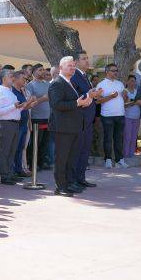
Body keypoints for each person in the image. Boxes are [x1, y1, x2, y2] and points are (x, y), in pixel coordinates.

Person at [48, 56, 93, 196]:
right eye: (69, 66)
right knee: (62, 158)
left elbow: (74, 102)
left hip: (73, 127)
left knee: (71, 158)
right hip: (62, 128)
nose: (72, 68)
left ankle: (68, 183)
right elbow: (56, 104)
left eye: (74, 66)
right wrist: (77, 104)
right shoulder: (57, 83)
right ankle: (60, 187)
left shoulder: (70, 83)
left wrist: (84, 102)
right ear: (61, 67)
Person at [0, 69, 29, 185]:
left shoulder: (10, 92)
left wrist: (24, 105)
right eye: (10, 76)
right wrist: (14, 106)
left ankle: (9, 173)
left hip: (14, 123)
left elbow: (15, 108)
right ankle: (4, 175)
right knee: (5, 151)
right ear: (4, 79)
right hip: (5, 124)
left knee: (12, 150)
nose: (12, 78)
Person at [69, 50, 99, 189]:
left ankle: (81, 178)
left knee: (85, 150)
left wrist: (94, 94)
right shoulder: (74, 76)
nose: (87, 61)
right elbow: (75, 97)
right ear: (75, 62)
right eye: (84, 59)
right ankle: (73, 180)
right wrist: (90, 93)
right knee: (77, 151)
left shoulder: (85, 76)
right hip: (79, 120)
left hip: (87, 120)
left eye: (87, 58)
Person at [96, 63, 128, 168]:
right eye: (113, 70)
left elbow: (125, 100)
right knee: (108, 139)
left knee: (119, 139)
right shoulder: (101, 84)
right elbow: (98, 101)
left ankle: (120, 160)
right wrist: (110, 96)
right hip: (107, 116)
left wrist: (125, 96)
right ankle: (108, 160)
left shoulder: (120, 84)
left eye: (116, 70)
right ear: (107, 72)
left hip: (120, 115)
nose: (115, 72)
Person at [26, 63, 52, 170]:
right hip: (36, 118)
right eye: (40, 70)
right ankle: (32, 164)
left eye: (43, 70)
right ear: (34, 72)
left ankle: (41, 162)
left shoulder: (48, 84)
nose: (43, 72)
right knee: (36, 142)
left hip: (48, 117)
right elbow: (30, 100)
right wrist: (43, 99)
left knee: (45, 143)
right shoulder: (30, 85)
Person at [11, 70, 36, 177]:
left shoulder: (22, 91)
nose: (25, 81)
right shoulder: (12, 91)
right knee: (14, 148)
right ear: (15, 79)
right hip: (16, 123)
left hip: (24, 123)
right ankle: (12, 170)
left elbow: (25, 107)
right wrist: (29, 102)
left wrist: (31, 104)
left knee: (21, 147)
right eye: (23, 79)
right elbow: (18, 107)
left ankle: (19, 169)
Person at [123, 75, 140, 159]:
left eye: (134, 81)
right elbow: (124, 105)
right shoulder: (125, 91)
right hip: (128, 117)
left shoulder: (138, 91)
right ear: (127, 81)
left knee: (134, 137)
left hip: (137, 117)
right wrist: (133, 102)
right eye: (131, 81)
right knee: (127, 137)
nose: (133, 83)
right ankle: (126, 155)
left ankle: (132, 154)